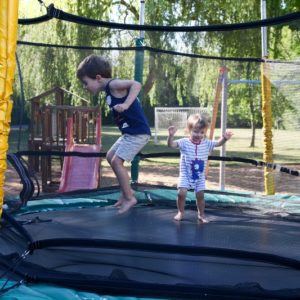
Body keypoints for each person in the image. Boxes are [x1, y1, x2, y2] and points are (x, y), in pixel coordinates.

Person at [77, 54, 151, 214]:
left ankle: (130, 198)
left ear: (97, 78)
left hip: (138, 133)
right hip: (129, 133)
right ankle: (125, 195)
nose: (85, 87)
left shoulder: (114, 84)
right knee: (110, 156)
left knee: (117, 161)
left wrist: (126, 104)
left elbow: (136, 84)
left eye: (85, 83)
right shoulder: (108, 90)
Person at [167, 113, 233, 223]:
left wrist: (224, 138)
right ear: (189, 130)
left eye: (202, 132)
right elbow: (171, 145)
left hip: (200, 176)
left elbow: (217, 144)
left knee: (200, 196)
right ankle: (180, 212)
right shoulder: (184, 142)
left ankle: (201, 214)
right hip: (186, 174)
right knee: (181, 193)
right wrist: (171, 136)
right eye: (195, 131)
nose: (199, 135)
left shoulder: (206, 143)